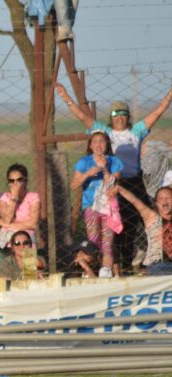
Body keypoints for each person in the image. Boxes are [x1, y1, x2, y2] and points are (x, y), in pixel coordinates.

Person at [56, 83, 172, 273]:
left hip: (134, 183)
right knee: (120, 229)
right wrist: (66, 97)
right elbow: (83, 118)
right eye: (115, 114)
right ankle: (121, 268)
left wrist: (169, 97)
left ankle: (159, 257)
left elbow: (157, 114)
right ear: (110, 118)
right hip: (113, 184)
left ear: (128, 116)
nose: (119, 117)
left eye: (123, 113)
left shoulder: (136, 132)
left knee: (150, 221)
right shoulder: (105, 133)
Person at [70, 131, 123, 278]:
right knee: (93, 242)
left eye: (102, 141)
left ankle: (105, 271)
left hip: (108, 207)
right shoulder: (84, 162)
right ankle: (90, 271)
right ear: (90, 145)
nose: (98, 145)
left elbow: (113, 186)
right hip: (91, 206)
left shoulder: (115, 162)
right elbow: (74, 185)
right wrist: (87, 174)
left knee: (107, 243)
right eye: (95, 141)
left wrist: (105, 168)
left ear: (107, 145)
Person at [116, 185, 172, 276]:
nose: (165, 201)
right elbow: (135, 201)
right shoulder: (152, 217)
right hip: (157, 264)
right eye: (161, 198)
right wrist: (118, 188)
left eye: (168, 198)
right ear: (156, 203)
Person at [0, 163, 41, 249]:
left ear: (25, 180)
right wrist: (14, 198)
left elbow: (33, 224)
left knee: (29, 262)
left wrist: (7, 225)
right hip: (8, 241)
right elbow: (8, 220)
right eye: (11, 180)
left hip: (28, 239)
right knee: (9, 261)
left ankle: (29, 262)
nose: (15, 183)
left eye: (19, 179)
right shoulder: (4, 198)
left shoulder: (33, 197)